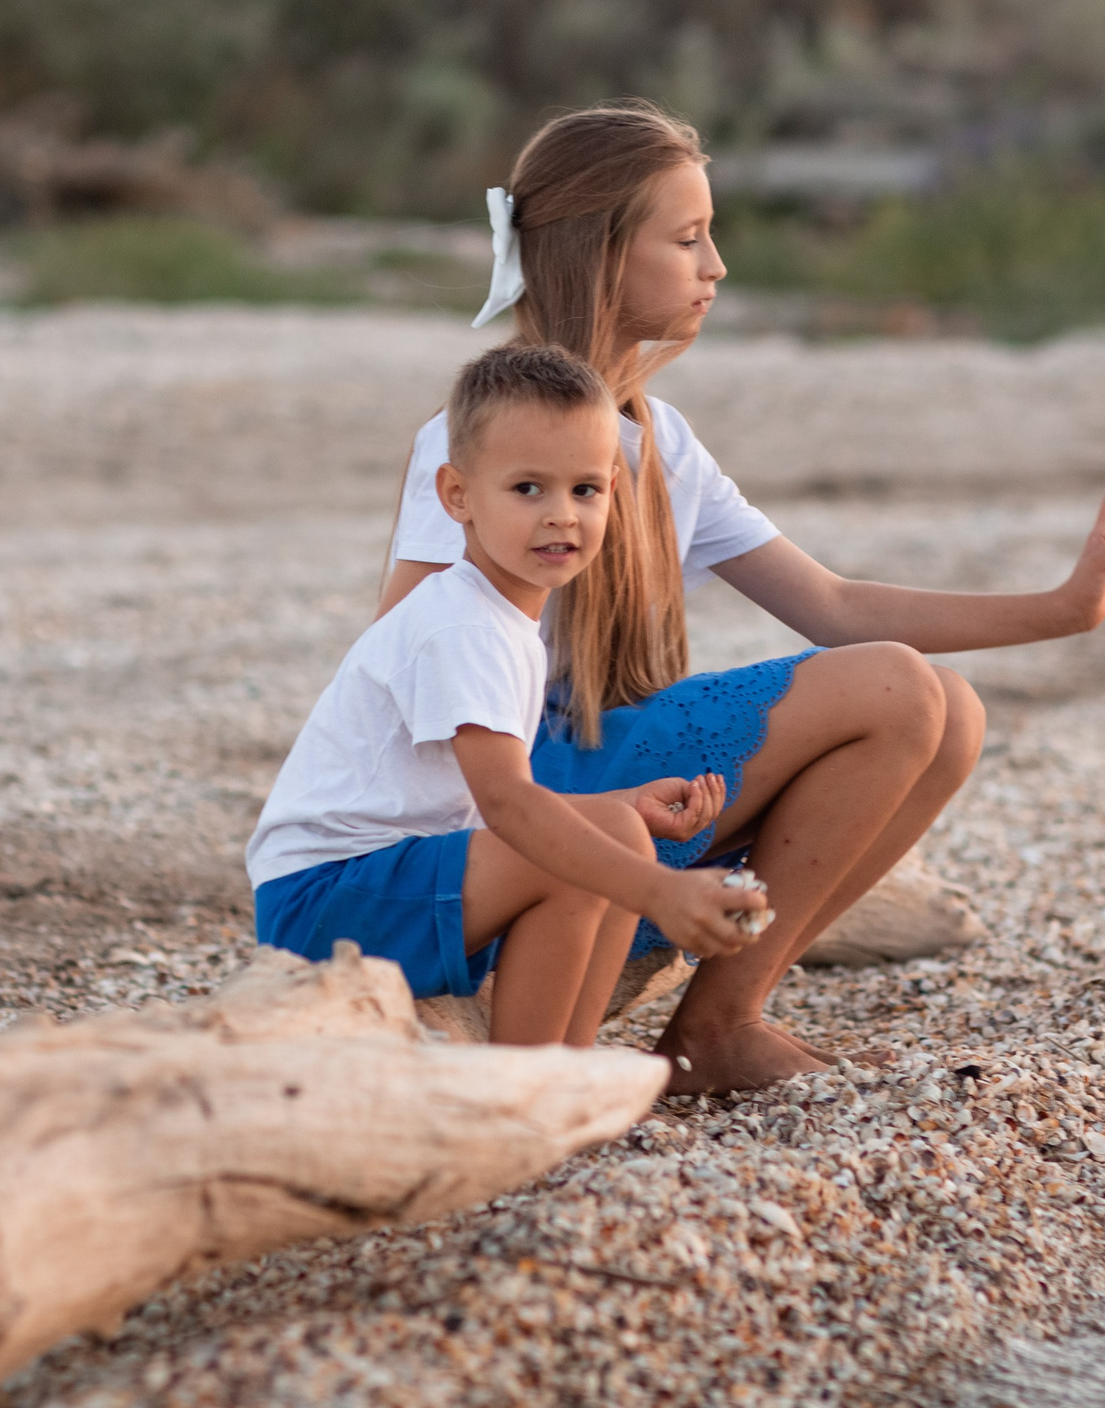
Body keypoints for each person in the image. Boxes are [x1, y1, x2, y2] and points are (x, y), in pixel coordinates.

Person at [381, 102, 1105, 1093]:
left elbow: (833, 603)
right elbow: (399, 656)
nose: (715, 265)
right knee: (894, 688)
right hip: (509, 802)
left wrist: (1064, 607)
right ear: (600, 254)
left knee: (950, 713)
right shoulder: (480, 443)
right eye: (687, 238)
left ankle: (718, 1021)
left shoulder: (658, 437)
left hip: (598, 769)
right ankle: (651, 1004)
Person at [247, 343, 770, 1046]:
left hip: (381, 882)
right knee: (603, 845)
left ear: (614, 490)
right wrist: (664, 894)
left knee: (619, 830)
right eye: (528, 488)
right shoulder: (464, 624)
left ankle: (564, 1064)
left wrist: (624, 806)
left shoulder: (503, 618)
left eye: (584, 489)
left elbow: (497, 805)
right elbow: (507, 805)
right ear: (457, 495)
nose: (562, 515)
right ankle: (523, 1075)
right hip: (322, 903)